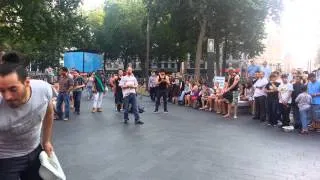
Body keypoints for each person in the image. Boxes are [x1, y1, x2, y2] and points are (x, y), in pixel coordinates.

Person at [0, 52, 54, 179]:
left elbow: (49, 113)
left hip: (35, 152)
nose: (7, 96)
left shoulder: (43, 89)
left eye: (13, 89)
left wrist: (46, 141)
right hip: (5, 160)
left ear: (27, 83)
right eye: (2, 90)